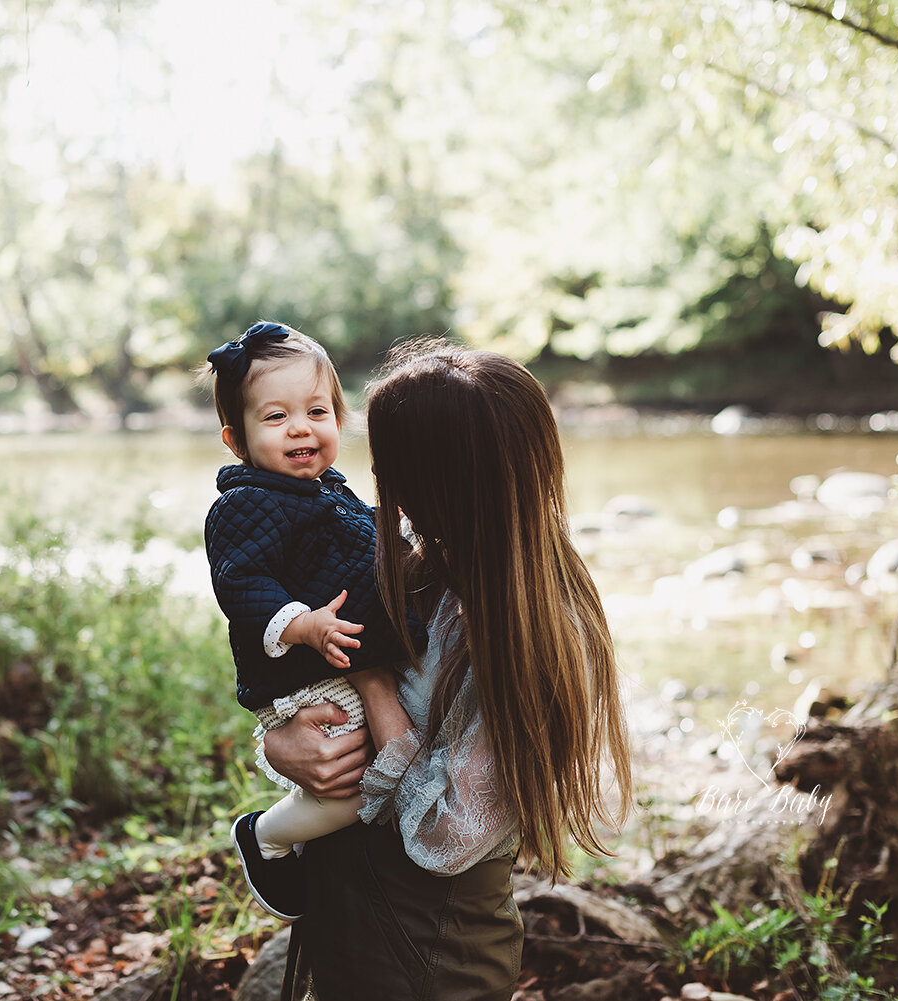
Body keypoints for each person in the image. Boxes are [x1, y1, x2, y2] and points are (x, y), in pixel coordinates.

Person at [261, 341, 634, 1000]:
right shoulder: (412, 571)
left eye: (392, 462)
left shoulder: (542, 630)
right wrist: (282, 746)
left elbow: (445, 834)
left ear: (441, 481)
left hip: (434, 952)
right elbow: (305, 692)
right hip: (343, 914)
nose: (376, 474)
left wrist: (376, 691)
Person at [203, 321, 424, 923]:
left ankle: (315, 843)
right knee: (355, 783)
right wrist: (301, 625)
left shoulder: (328, 490)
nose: (301, 427)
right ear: (236, 440)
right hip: (305, 676)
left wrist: (401, 530)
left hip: (341, 660)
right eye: (275, 418)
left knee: (379, 766)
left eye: (317, 410)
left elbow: (362, 543)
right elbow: (241, 583)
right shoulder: (245, 505)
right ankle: (268, 835)